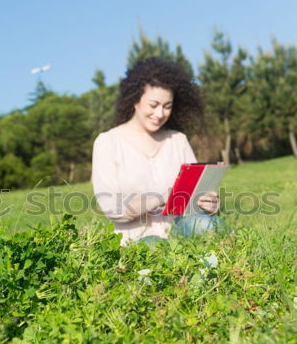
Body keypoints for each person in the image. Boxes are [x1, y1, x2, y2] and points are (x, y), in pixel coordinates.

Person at [91, 57, 223, 246]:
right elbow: (113, 208)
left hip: (179, 233)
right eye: (153, 105)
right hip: (136, 241)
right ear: (135, 100)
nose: (160, 114)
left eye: (167, 106)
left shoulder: (177, 140)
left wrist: (209, 205)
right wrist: (163, 197)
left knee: (207, 224)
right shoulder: (108, 143)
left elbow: (193, 196)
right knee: (154, 246)